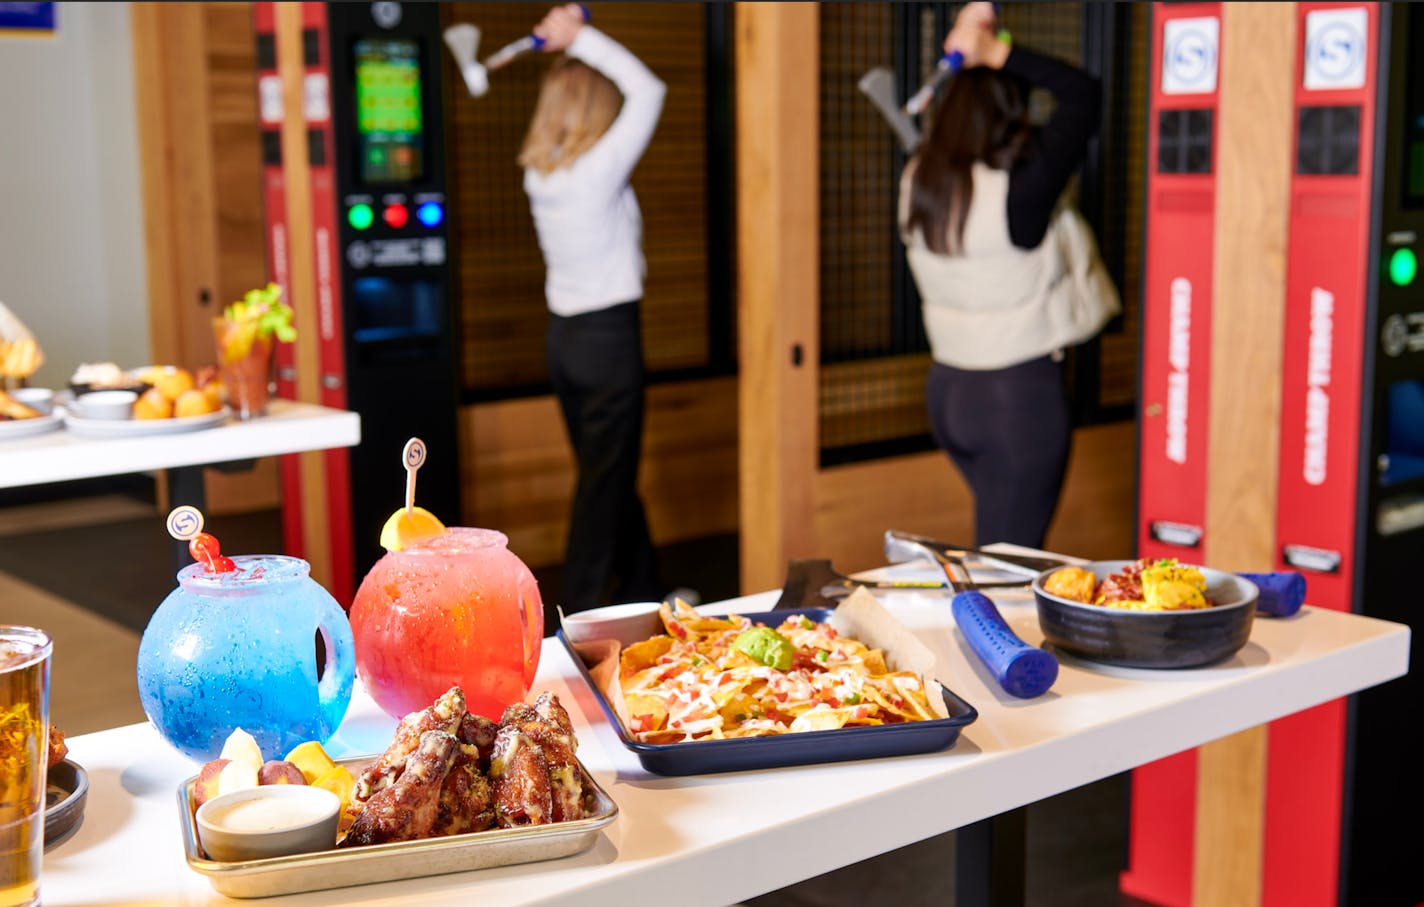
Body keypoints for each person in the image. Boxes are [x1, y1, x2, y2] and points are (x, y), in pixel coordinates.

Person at [899, 2, 1103, 550]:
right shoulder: (1023, 191)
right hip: (1015, 400)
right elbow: (1083, 93)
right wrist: (998, 53)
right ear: (1010, 114)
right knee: (1007, 567)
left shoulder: (920, 179)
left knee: (995, 548)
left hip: (949, 394)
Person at [520, 5, 668, 613]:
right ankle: (570, 615)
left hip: (566, 343)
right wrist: (583, 38)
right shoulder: (596, 172)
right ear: (594, 116)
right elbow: (649, 88)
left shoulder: (543, 175)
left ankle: (646, 591)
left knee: (610, 479)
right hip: (608, 342)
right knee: (601, 489)